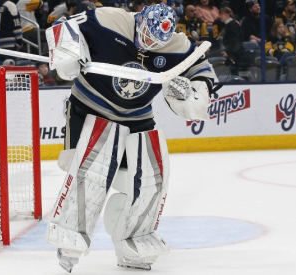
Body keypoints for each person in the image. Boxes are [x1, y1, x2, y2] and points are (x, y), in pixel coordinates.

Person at [45, 4, 214, 272]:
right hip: (90, 105)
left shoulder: (178, 45)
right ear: (140, 20)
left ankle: (132, 240)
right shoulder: (109, 19)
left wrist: (194, 92)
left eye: (155, 43)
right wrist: (69, 51)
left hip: (137, 115)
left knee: (147, 181)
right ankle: (70, 241)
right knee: (89, 174)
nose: (147, 45)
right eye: (145, 36)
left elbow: (202, 70)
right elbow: (63, 25)